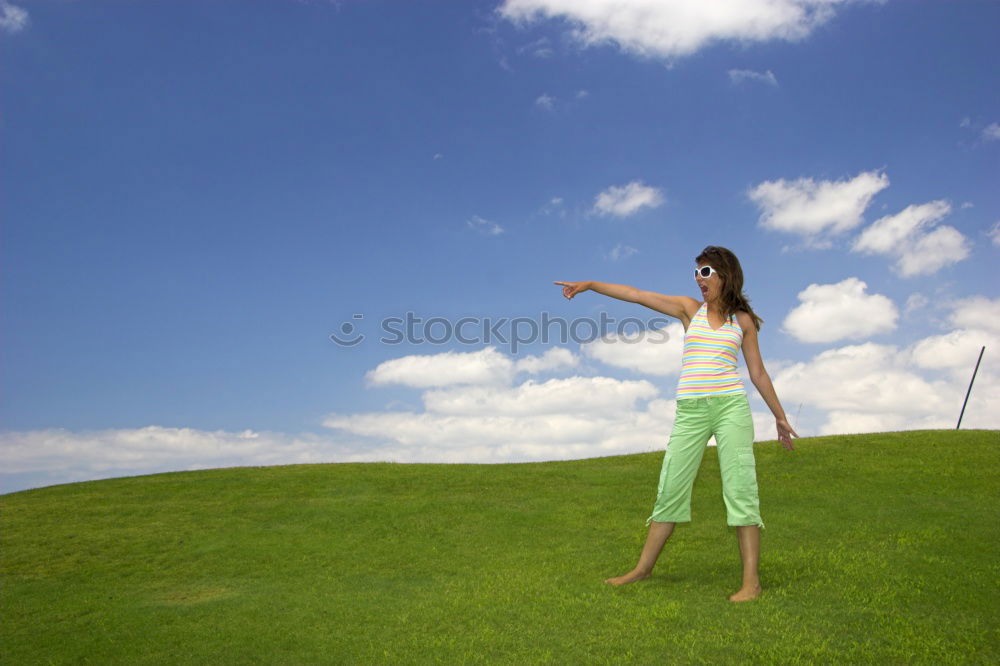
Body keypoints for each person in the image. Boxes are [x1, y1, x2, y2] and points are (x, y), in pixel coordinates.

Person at [554, 245, 798, 602]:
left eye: (705, 272)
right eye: (697, 273)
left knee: (741, 489)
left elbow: (757, 372)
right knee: (670, 487)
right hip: (691, 410)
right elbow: (637, 296)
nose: (699, 279)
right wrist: (590, 284)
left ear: (724, 275)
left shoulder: (741, 322)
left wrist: (779, 415)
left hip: (731, 407)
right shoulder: (689, 310)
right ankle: (643, 569)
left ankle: (751, 583)